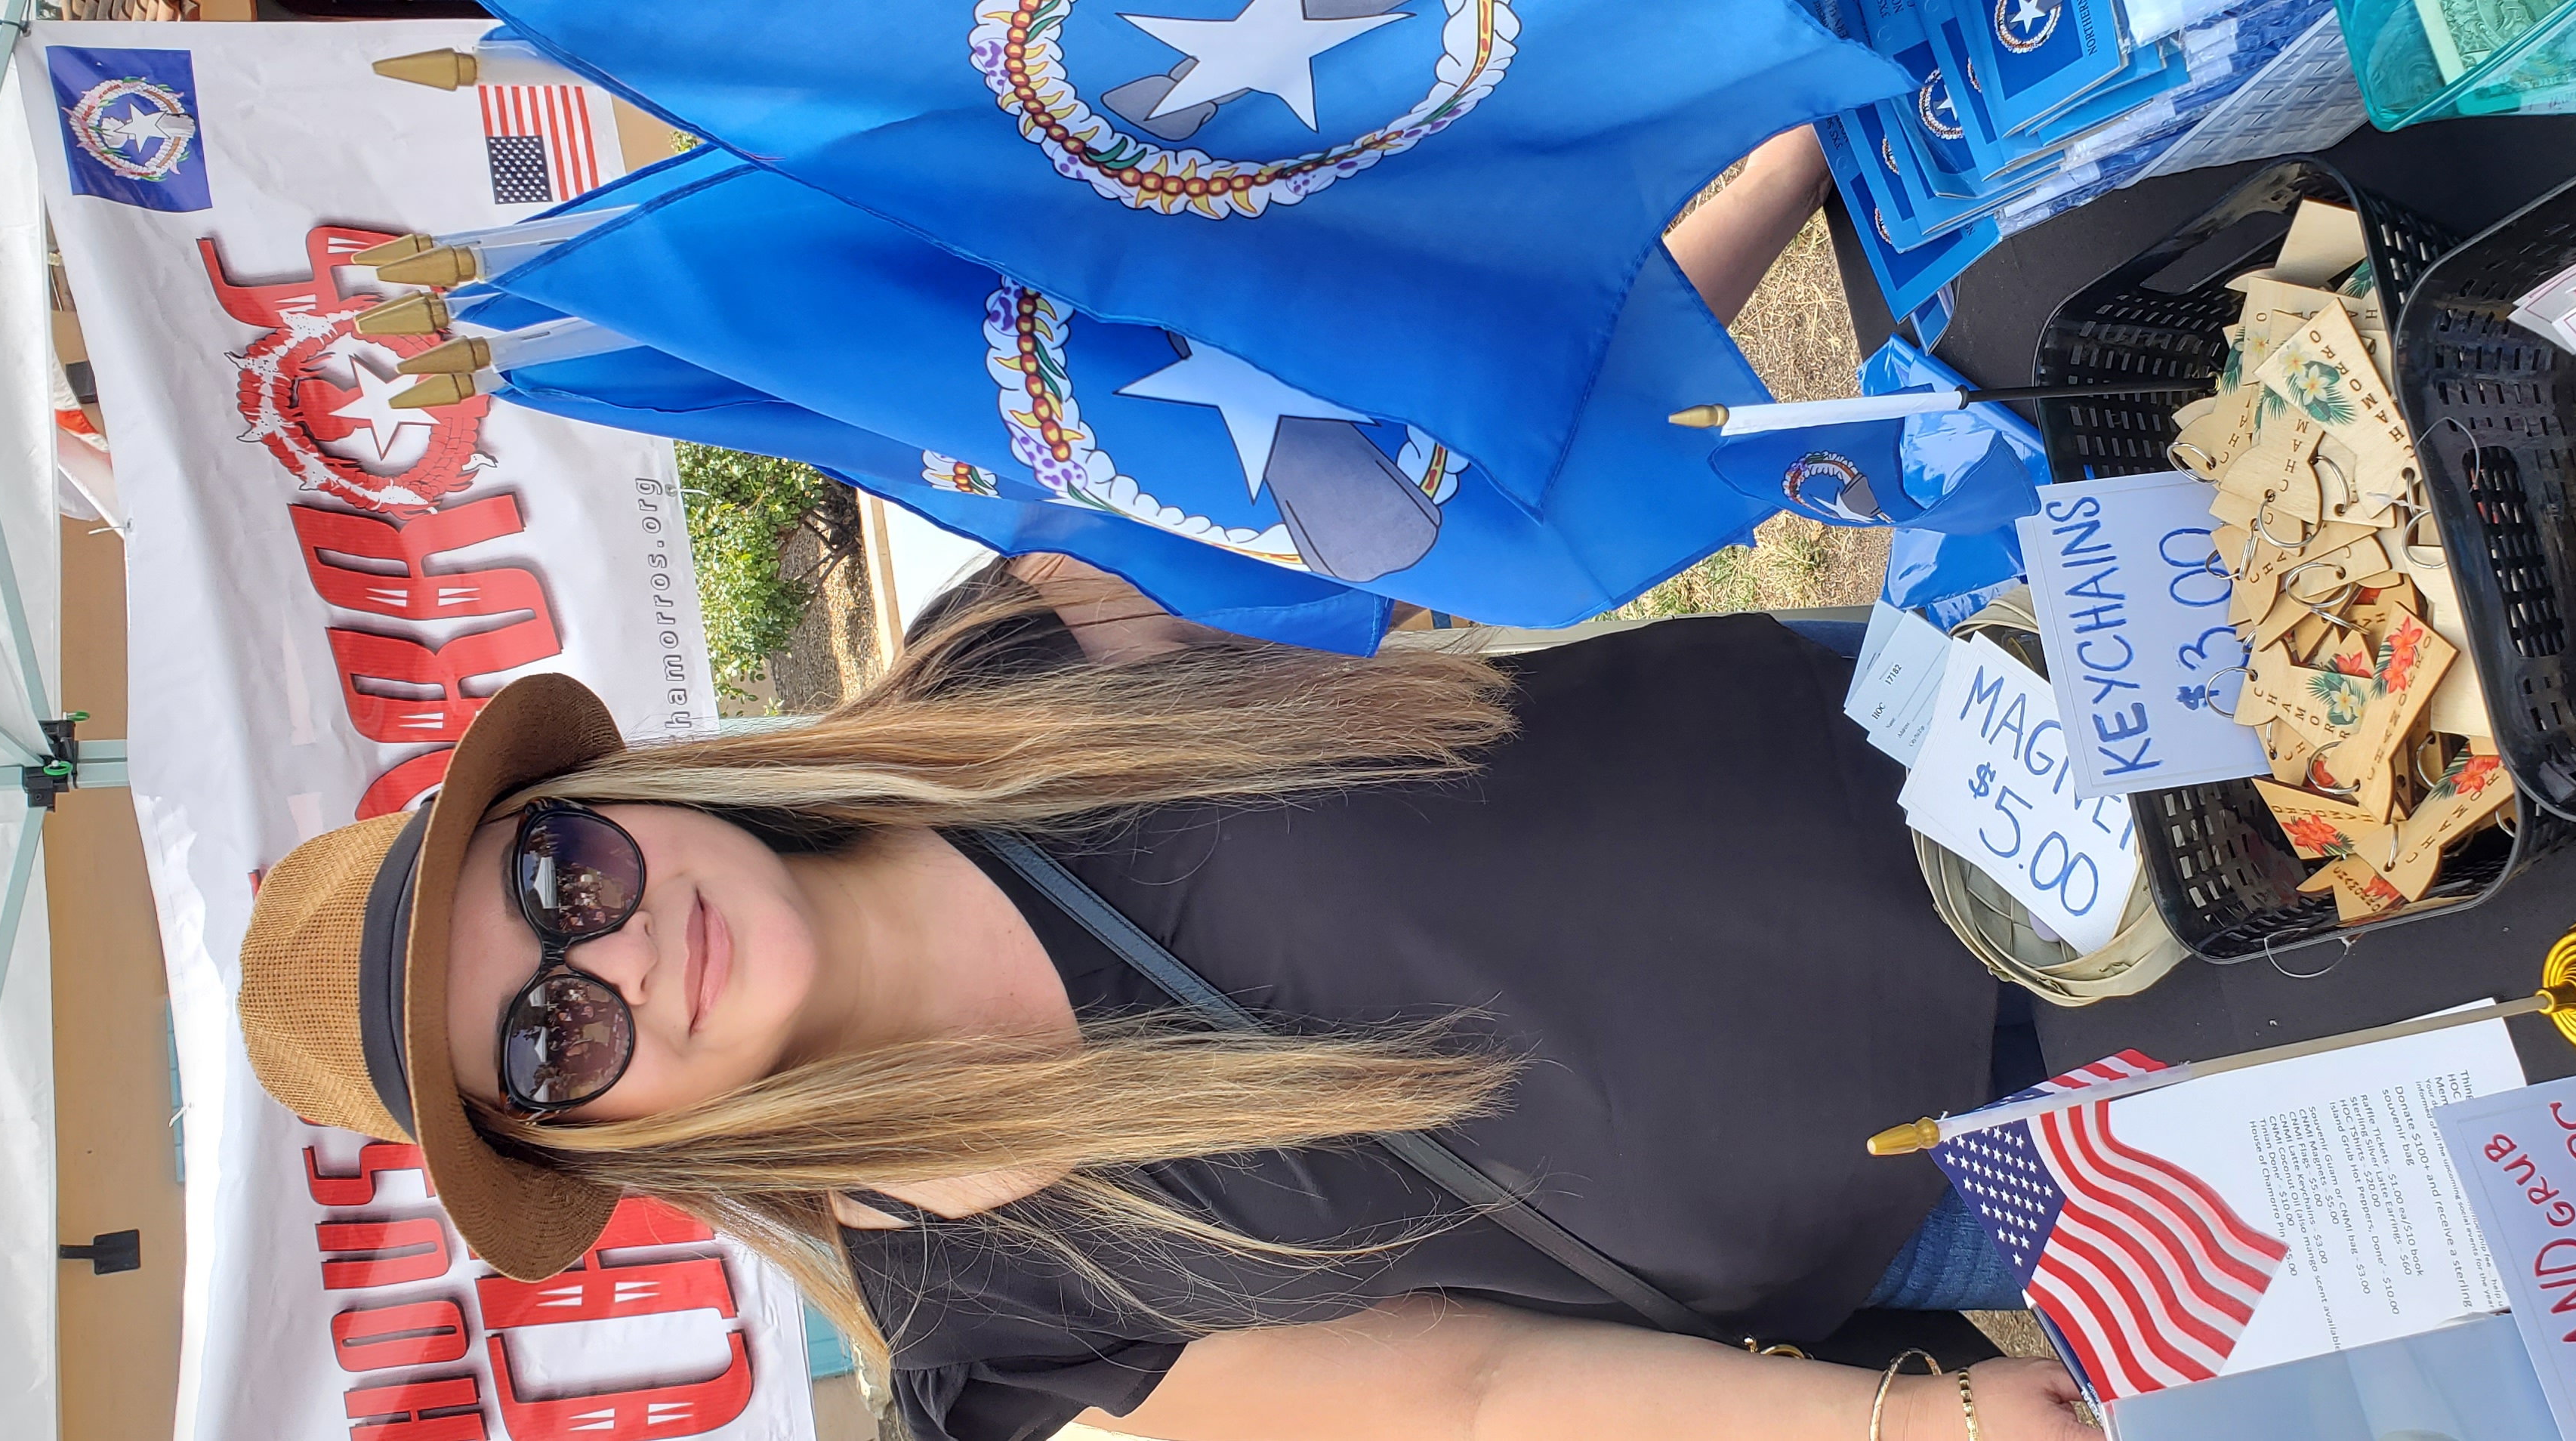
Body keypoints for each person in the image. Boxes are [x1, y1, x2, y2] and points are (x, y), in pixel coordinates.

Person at [234, 132, 2102, 1441]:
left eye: (559, 878)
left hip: (1954, 735)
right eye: (554, 1040)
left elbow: (1436, 471)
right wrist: (1891, 1430)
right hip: (1998, 1162)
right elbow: (1468, 1400)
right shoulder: (985, 1332)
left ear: (613, 798)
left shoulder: (1020, 662)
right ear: (598, 1142)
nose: (619, 962)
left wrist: (1779, 141)